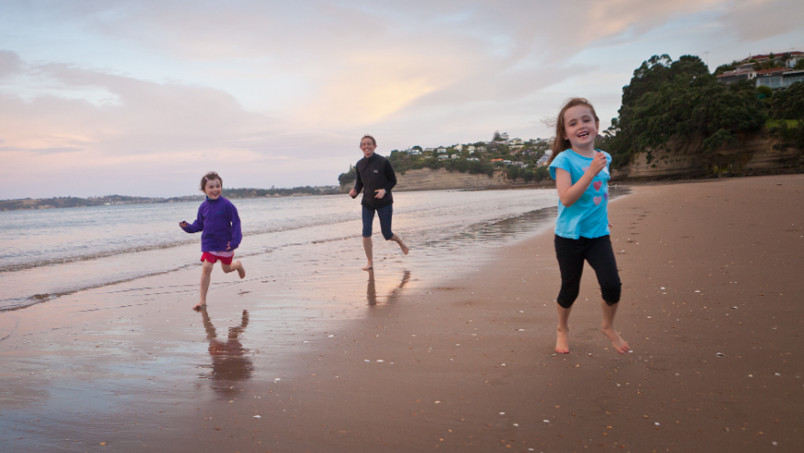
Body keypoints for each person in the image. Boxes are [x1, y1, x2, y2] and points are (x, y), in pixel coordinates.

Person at [547, 98, 630, 354]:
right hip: (569, 237)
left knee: (612, 286)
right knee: (570, 290)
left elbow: (600, 193)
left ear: (596, 124)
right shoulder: (564, 160)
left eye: (586, 120)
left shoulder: (604, 158)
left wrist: (602, 217)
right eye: (573, 123)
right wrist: (590, 172)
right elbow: (567, 198)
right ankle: (562, 329)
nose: (581, 125)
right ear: (565, 133)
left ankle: (608, 326)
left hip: (598, 235)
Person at [180, 171, 246, 310]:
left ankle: (238, 265)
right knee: (207, 267)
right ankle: (202, 301)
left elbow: (236, 222)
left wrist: (235, 241)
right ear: (204, 189)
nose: (215, 189)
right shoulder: (203, 207)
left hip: (225, 243)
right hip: (209, 243)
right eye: (211, 187)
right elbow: (199, 225)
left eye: (218, 186)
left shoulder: (227, 205)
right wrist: (188, 227)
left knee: (226, 269)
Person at [348, 135, 409, 271]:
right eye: (364, 144)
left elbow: (393, 180)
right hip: (367, 203)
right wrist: (354, 192)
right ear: (361, 147)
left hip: (384, 202)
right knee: (366, 232)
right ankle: (370, 262)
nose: (366, 146)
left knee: (387, 234)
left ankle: (400, 242)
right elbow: (359, 184)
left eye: (369, 144)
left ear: (375, 146)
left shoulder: (383, 162)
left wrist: (385, 190)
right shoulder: (359, 164)